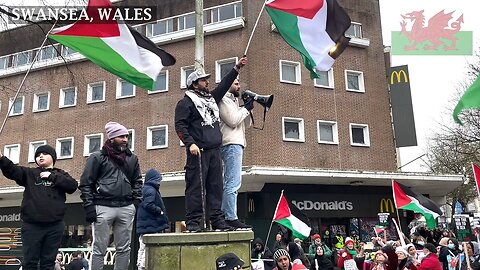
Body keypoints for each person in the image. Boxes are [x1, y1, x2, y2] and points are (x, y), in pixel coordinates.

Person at [175, 56, 248, 232]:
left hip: (215, 150)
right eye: (203, 80)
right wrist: (190, 143)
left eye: (207, 79)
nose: (207, 82)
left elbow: (223, 86)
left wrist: (236, 68)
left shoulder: (210, 99)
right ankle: (194, 222)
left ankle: (217, 220)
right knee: (196, 187)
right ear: (194, 84)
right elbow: (180, 125)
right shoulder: (185, 103)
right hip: (198, 151)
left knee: (216, 187)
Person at [0, 145, 78, 270]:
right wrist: (2, 158)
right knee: (30, 262)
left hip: (54, 226)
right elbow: (12, 170)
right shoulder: (30, 173)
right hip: (32, 226)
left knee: (48, 263)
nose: (40, 156)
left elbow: (72, 186)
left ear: (52, 157)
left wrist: (51, 177)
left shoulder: (60, 174)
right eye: (37, 155)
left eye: (44, 154)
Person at [79, 121, 143, 270]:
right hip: (102, 206)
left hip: (126, 207)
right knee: (99, 249)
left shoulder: (132, 158)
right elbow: (86, 183)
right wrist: (89, 207)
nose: (125, 140)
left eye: (127, 136)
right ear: (112, 137)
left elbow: (137, 181)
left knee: (124, 249)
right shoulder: (97, 157)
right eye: (121, 136)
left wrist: (135, 203)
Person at [218, 78, 253, 230]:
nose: (239, 85)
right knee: (232, 183)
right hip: (231, 143)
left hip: (235, 143)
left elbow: (245, 124)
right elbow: (232, 120)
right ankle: (230, 217)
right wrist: (246, 108)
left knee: (232, 182)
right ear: (228, 85)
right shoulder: (223, 100)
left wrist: (247, 108)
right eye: (236, 83)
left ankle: (228, 215)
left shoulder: (233, 101)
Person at [136, 169, 170, 270]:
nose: (159, 182)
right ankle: (143, 266)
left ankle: (139, 265)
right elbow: (148, 204)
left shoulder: (144, 189)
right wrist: (159, 211)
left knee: (142, 247)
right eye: (158, 179)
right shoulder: (151, 190)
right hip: (151, 226)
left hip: (144, 226)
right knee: (147, 247)